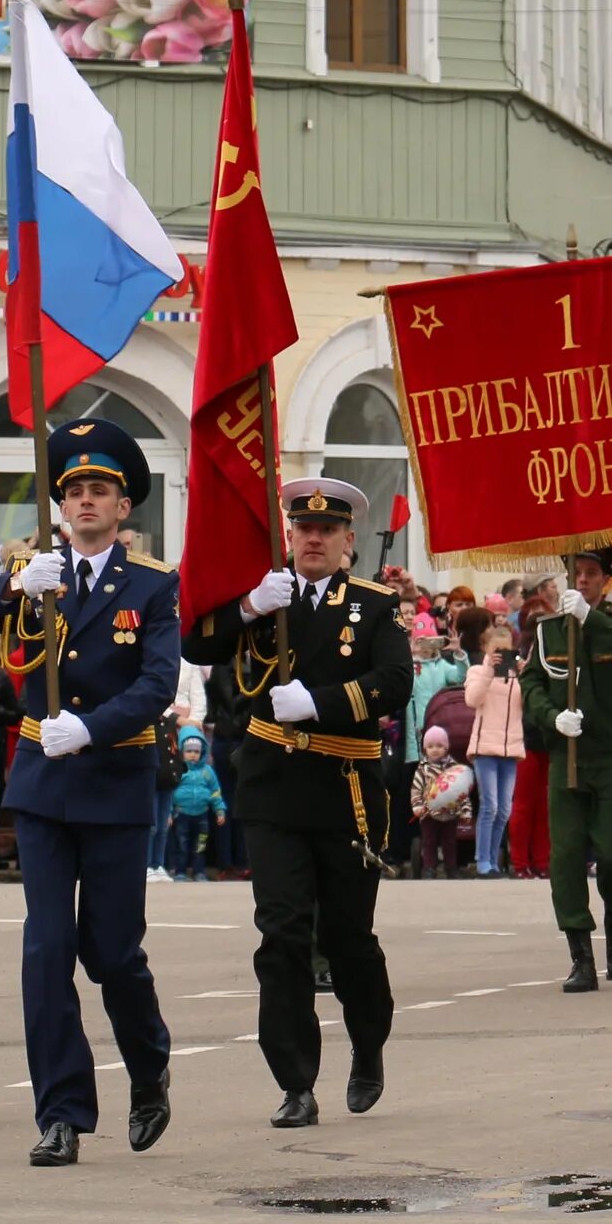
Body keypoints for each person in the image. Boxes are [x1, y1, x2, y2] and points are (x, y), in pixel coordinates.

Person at [0, 420, 177, 1169]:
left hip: (112, 781)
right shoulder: (32, 570)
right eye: (72, 491)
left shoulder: (153, 585)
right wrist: (16, 582)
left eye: (98, 490)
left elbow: (157, 684)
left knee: (112, 954)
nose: (84, 502)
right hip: (43, 785)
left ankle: (148, 1066)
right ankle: (62, 1112)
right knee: (47, 951)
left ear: (123, 505)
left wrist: (93, 729)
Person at [184, 476, 407, 1130]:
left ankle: (367, 1045)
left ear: (346, 543)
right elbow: (196, 644)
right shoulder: (264, 599)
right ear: (289, 536)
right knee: (281, 936)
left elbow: (394, 680)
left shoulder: (373, 606)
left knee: (347, 940)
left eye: (328, 531)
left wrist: (321, 702)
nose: (314, 538)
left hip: (344, 792)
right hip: (274, 788)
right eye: (303, 529)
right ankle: (295, 1080)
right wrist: (249, 606)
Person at [523, 545, 612, 991]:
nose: (581, 581)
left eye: (590, 574)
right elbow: (532, 685)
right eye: (575, 573)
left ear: (606, 580)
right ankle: (581, 954)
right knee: (564, 858)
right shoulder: (548, 632)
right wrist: (551, 717)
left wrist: (591, 618)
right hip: (568, 757)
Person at [460, 606, 522, 877]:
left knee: (505, 809)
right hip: (486, 746)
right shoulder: (476, 671)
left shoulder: (517, 677)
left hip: (511, 748)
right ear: (486, 648)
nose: (500, 656)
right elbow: (472, 700)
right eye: (496, 650)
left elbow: (528, 704)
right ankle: (482, 860)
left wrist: (525, 673)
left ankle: (494, 861)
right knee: (490, 805)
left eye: (505, 650)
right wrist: (488, 670)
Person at [409, 724, 472, 876]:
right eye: (430, 746)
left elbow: (462, 791)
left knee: (449, 842)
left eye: (439, 746)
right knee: (429, 841)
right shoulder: (422, 769)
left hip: (450, 812)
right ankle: (429, 867)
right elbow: (416, 789)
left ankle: (451, 868)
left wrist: (466, 811)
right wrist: (417, 806)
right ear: (425, 749)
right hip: (428, 813)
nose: (435, 749)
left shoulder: (454, 768)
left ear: (446, 747)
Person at [166, 727, 224, 879]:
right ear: (181, 751)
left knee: (200, 846)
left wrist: (219, 810)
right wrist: (169, 812)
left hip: (202, 814)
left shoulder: (207, 771)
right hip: (181, 813)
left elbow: (215, 791)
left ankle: (199, 871)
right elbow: (170, 792)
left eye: (196, 752)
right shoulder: (179, 770)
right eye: (189, 751)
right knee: (182, 845)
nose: (192, 755)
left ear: (202, 752)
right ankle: (180, 871)